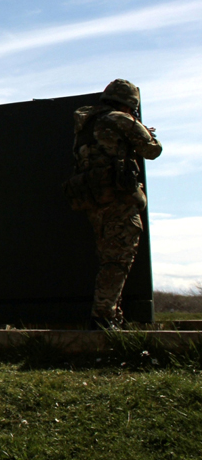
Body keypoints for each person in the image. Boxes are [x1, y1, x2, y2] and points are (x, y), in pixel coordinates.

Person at [65, 79, 162, 330]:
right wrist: (146, 133)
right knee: (118, 260)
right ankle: (103, 318)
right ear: (129, 104)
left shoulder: (85, 124)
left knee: (109, 258)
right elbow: (152, 150)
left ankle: (111, 316)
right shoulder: (122, 120)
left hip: (94, 198)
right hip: (119, 198)